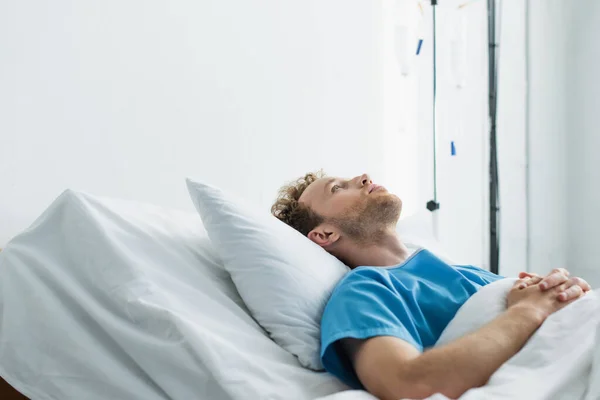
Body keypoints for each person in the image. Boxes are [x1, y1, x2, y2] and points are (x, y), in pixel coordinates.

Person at [271, 171, 591, 400]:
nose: (364, 177)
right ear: (325, 235)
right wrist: (529, 310)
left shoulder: (466, 273)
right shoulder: (364, 291)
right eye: (337, 188)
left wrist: (567, 295)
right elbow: (405, 384)